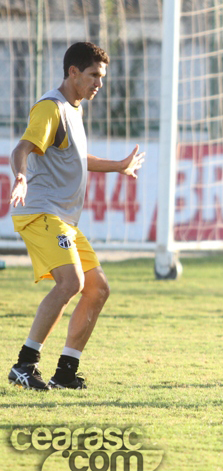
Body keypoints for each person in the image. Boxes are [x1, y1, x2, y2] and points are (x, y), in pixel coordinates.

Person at [7, 42, 145, 390]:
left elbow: (78, 160)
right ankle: (24, 365)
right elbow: (22, 147)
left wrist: (118, 166)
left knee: (97, 289)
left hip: (63, 220)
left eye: (102, 76)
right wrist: (20, 176)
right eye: (94, 75)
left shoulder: (74, 108)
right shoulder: (50, 108)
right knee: (72, 283)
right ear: (73, 73)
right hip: (40, 213)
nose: (99, 83)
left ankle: (66, 371)